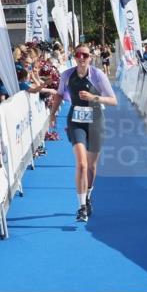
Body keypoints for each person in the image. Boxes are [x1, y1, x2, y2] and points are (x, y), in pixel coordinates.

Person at [48, 44, 117, 222]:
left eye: (85, 55)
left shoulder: (97, 75)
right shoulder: (67, 75)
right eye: (78, 54)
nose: (82, 58)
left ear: (90, 57)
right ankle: (81, 207)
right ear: (74, 56)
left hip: (95, 122)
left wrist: (94, 97)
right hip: (76, 121)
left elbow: (113, 100)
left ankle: (88, 195)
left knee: (92, 167)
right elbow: (60, 94)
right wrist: (52, 114)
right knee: (81, 165)